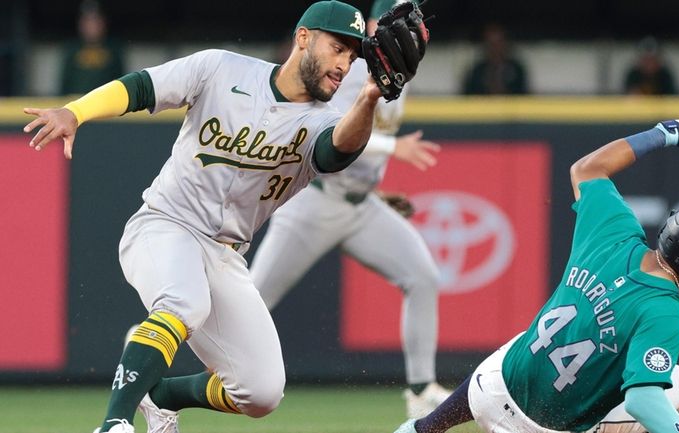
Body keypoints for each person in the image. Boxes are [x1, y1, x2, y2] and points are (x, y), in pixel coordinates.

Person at [21, 1, 414, 431]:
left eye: (353, 56)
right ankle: (113, 422)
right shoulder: (221, 69)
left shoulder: (327, 120)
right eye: (338, 48)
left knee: (262, 391)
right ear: (304, 37)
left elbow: (337, 152)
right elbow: (141, 87)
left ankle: (163, 395)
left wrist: (371, 95)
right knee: (183, 303)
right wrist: (75, 111)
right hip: (165, 224)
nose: (344, 64)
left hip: (225, 255)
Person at [392, 117, 679, 433]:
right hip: (544, 429)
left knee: (526, 343)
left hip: (490, 387)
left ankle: (425, 427)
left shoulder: (614, 232)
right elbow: (642, 402)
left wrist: (663, 134)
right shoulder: (666, 311)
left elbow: (587, 170)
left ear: (668, 225)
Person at [249, 0, 445, 418]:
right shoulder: (352, 67)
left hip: (360, 206)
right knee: (250, 302)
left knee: (423, 276)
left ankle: (420, 388)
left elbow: (361, 151)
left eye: (413, 26)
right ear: (375, 25)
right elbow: (332, 135)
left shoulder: (402, 74)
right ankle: (155, 338)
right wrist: (396, 146)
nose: (409, 35)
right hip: (314, 202)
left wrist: (379, 194)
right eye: (398, 23)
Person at [60, 1, 125, 95]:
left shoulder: (114, 48)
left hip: (105, 103)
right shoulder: (72, 48)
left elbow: (121, 80)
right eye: (87, 21)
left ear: (103, 23)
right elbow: (65, 81)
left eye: (96, 21)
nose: (92, 26)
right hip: (76, 103)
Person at [462, 23, 528, 95]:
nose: (495, 48)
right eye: (491, 44)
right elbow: (467, 96)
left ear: (505, 43)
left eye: (498, 43)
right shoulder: (477, 70)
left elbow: (523, 95)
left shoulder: (516, 69)